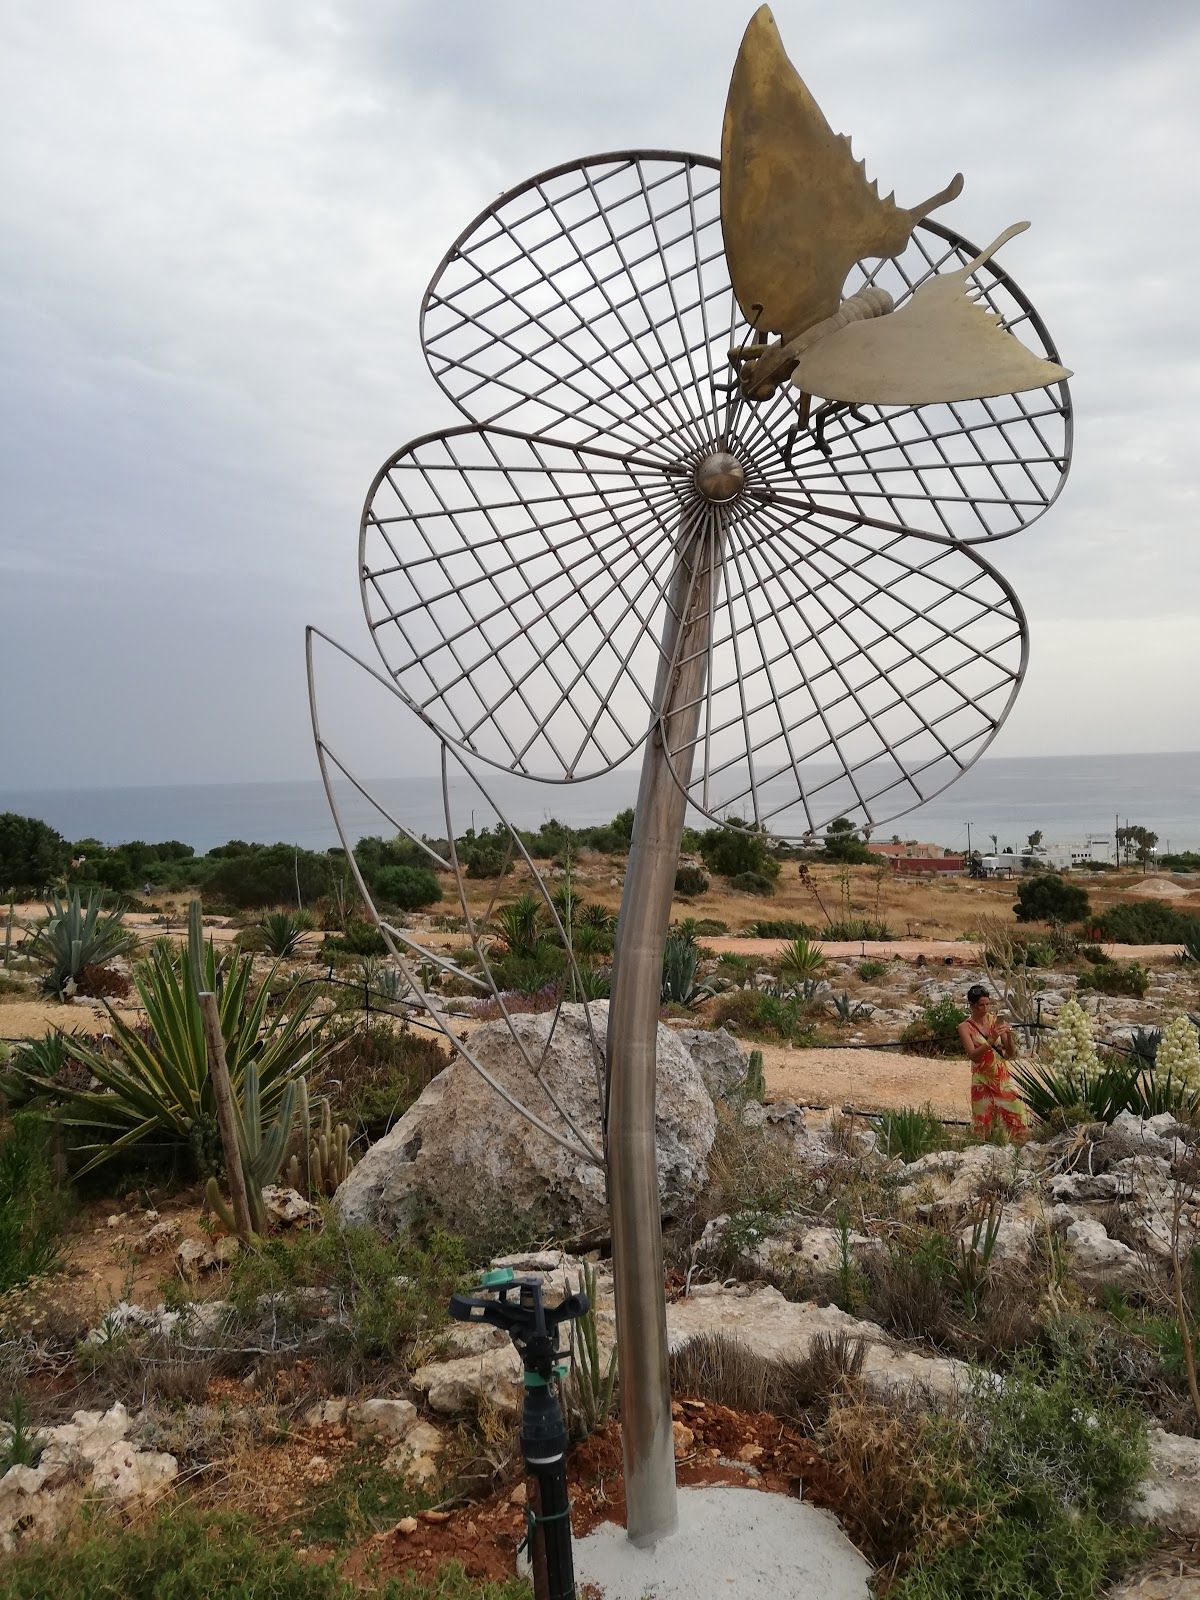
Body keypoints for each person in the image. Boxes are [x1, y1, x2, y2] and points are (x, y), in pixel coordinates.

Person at [957, 983, 1027, 1139]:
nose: (985, 1008)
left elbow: (1009, 1054)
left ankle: (1017, 1145)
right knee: (982, 1122)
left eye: (987, 1004)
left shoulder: (994, 1021)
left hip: (1001, 1077)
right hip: (981, 1079)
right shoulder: (965, 1027)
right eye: (981, 1005)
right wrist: (991, 1040)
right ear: (973, 1006)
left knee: (1016, 1112)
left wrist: (1008, 1037)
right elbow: (973, 1055)